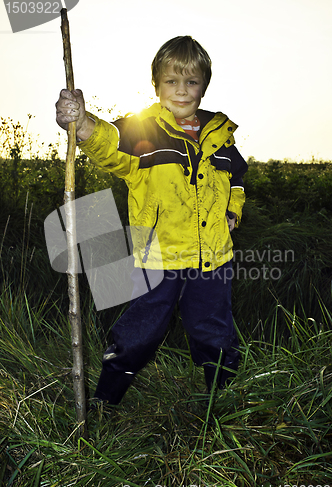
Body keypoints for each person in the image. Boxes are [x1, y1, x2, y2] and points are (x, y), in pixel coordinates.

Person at [55, 35, 248, 405]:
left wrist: (232, 211)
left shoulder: (221, 138)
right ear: (157, 85)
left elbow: (236, 180)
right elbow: (109, 145)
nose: (181, 90)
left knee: (215, 334)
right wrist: (82, 124)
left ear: (203, 86)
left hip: (212, 259)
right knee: (138, 334)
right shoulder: (144, 130)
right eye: (171, 81)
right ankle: (105, 401)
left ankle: (223, 405)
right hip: (156, 258)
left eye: (191, 82)